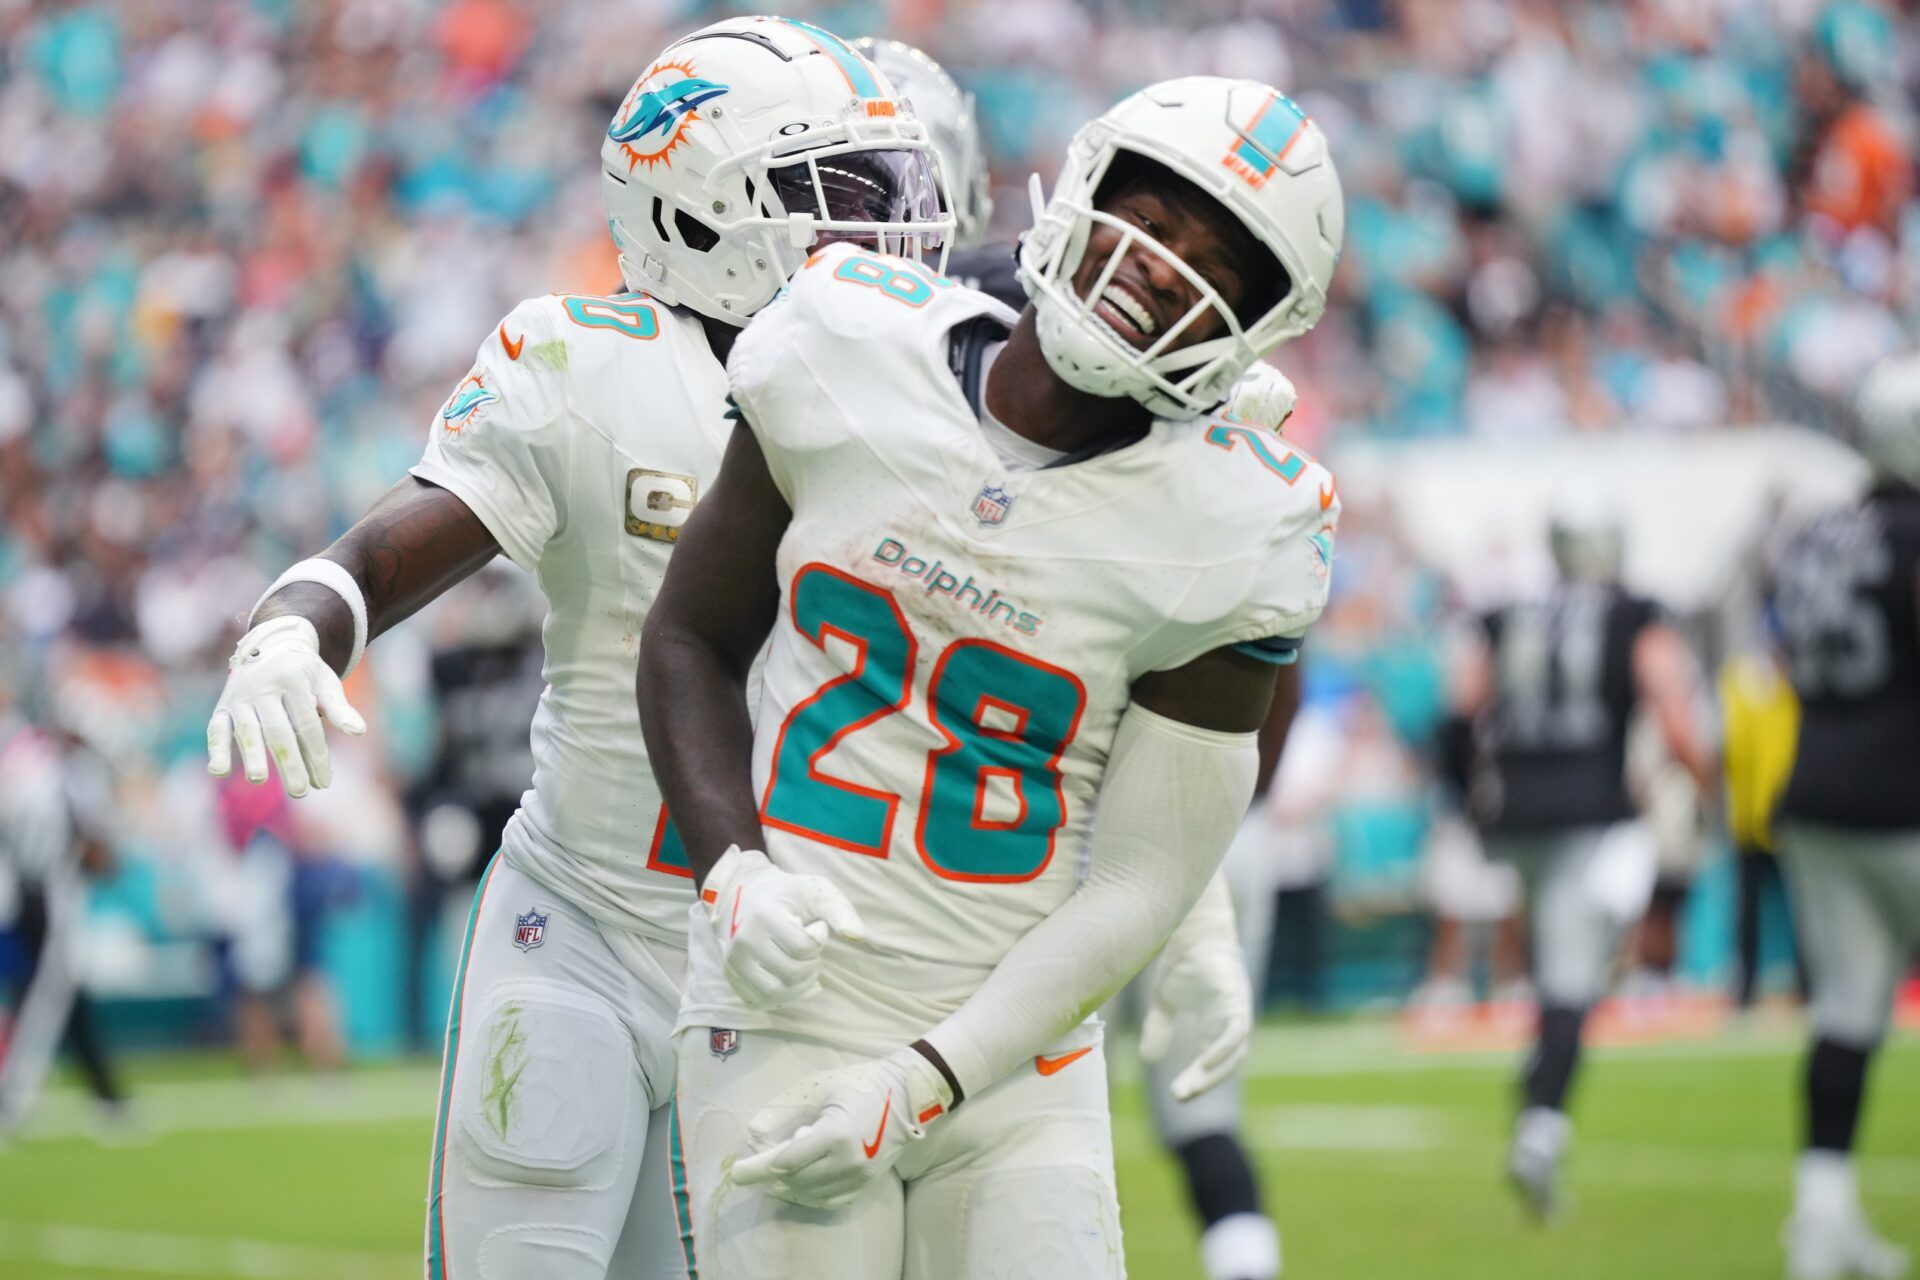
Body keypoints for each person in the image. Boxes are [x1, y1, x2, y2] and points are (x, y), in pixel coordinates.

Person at [204, 18, 954, 1279]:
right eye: (835, 193)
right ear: (702, 212)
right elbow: (400, 537)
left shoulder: (931, 384)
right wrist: (297, 618)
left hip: (789, 960)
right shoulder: (589, 368)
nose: (886, 233)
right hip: (592, 921)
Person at [638, 75, 1344, 1278]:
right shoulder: (848, 342)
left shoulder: (1238, 520)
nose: (1164, 267)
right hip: (789, 1001)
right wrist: (732, 873)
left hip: (1015, 1045)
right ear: (1076, 190)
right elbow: (689, 639)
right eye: (1154, 220)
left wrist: (926, 1078)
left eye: (1214, 262)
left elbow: (1138, 874)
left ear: (1256, 322)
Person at [852, 37, 1301, 1280]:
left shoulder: (1078, 344)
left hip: (1021, 870)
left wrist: (1193, 888)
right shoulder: (820, 361)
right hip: (826, 885)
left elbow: (1229, 655)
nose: (854, 239)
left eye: (869, 195)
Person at [1454, 493, 1715, 1219]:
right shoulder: (1633, 613)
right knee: (1574, 975)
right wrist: (1707, 783)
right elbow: (1670, 701)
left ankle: (1538, 1087)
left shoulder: (1511, 611)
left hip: (1516, 810)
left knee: (1553, 961)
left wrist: (1465, 793)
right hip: (1594, 813)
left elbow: (1462, 697)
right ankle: (1541, 1124)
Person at [1770, 352, 1920, 1280]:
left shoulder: (1821, 531)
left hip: (1818, 786)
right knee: (1850, 1011)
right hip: (1904, 793)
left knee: (1847, 1013)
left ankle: (1819, 1222)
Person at [0, 697, 128, 1136]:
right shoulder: (61, 773)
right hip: (48, 891)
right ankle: (12, 1098)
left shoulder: (33, 763)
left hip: (30, 890)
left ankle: (107, 1095)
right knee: (45, 996)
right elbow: (98, 850)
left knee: (58, 995)